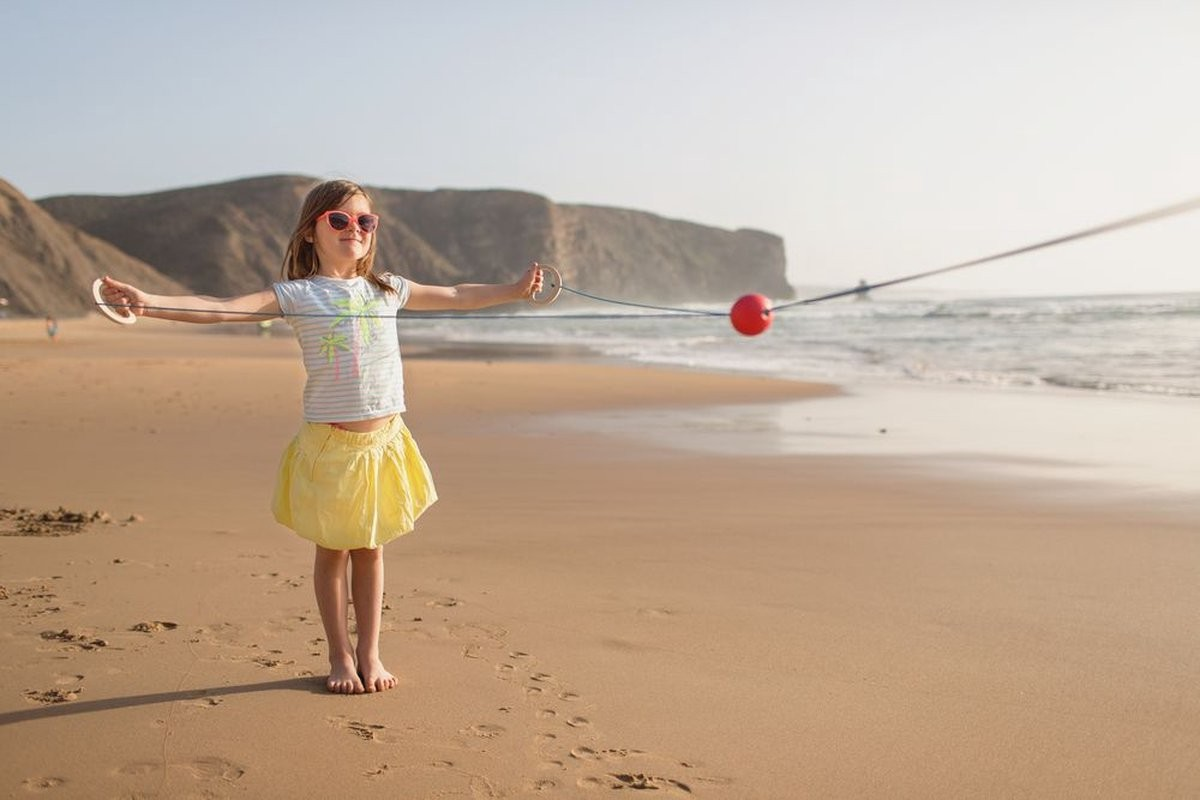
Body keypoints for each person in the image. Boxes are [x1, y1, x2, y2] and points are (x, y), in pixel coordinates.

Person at [97, 179, 544, 694]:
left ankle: (370, 653)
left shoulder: (388, 288)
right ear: (311, 231)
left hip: (384, 443)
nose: (355, 228)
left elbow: (458, 295)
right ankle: (340, 655)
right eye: (339, 219)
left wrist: (513, 290)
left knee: (371, 548)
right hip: (332, 447)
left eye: (365, 221)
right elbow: (221, 307)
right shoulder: (297, 295)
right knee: (332, 550)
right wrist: (149, 302)